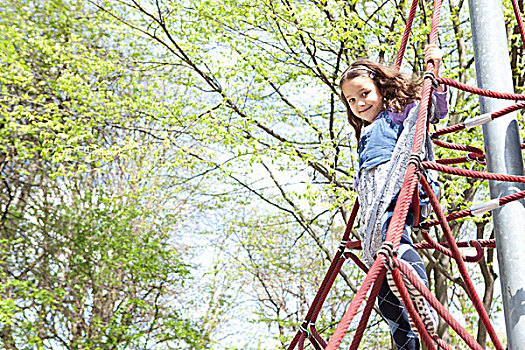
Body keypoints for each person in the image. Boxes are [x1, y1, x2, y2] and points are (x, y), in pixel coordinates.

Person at [339, 45, 448, 350]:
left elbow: (433, 111)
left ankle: (422, 298)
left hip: (399, 183)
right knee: (379, 274)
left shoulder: (397, 112)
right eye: (351, 100)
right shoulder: (365, 131)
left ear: (380, 89)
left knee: (395, 242)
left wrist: (434, 74)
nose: (359, 103)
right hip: (374, 200)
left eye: (364, 93)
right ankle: (404, 339)